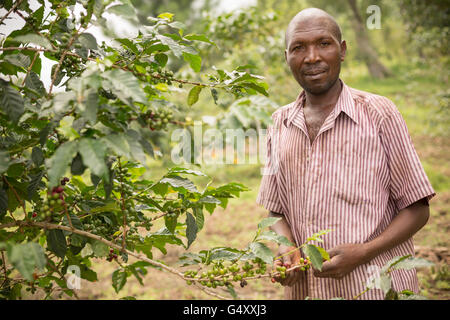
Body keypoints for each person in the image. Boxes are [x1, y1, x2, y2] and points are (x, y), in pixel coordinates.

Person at [256, 7, 436, 299]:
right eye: (298, 48)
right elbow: (276, 209)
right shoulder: (279, 122)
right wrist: (285, 244)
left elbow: (417, 209)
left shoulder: (379, 114)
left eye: (323, 44)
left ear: (342, 51)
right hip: (306, 292)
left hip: (374, 289)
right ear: (287, 57)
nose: (312, 56)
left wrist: (363, 253)